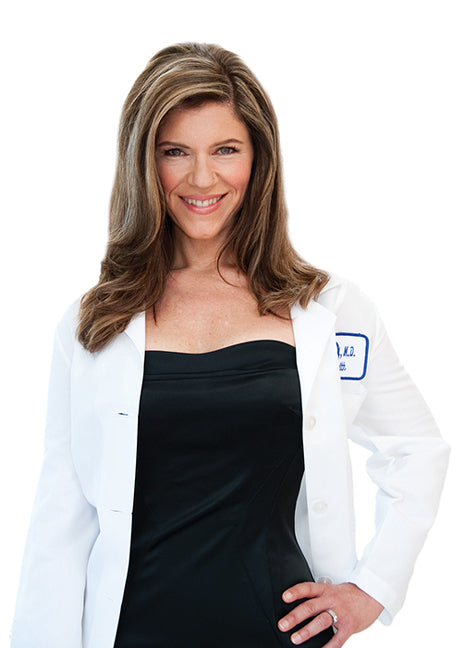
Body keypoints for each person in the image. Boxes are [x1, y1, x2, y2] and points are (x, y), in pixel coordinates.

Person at [10, 42, 449, 648]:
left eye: (226, 150)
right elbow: (62, 518)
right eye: (175, 152)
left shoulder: (330, 310)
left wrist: (374, 587)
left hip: (279, 633)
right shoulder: (96, 323)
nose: (201, 178)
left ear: (259, 160)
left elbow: (416, 448)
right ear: (144, 161)